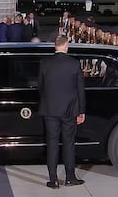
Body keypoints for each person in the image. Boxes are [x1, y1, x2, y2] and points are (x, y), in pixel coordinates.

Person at [38, 35, 86, 189]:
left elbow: (40, 86)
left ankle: (53, 180)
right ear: (66, 46)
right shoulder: (74, 63)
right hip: (69, 111)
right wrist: (81, 111)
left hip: (50, 110)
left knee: (52, 144)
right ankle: (70, 177)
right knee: (68, 144)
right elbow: (80, 90)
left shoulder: (45, 63)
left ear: (55, 46)